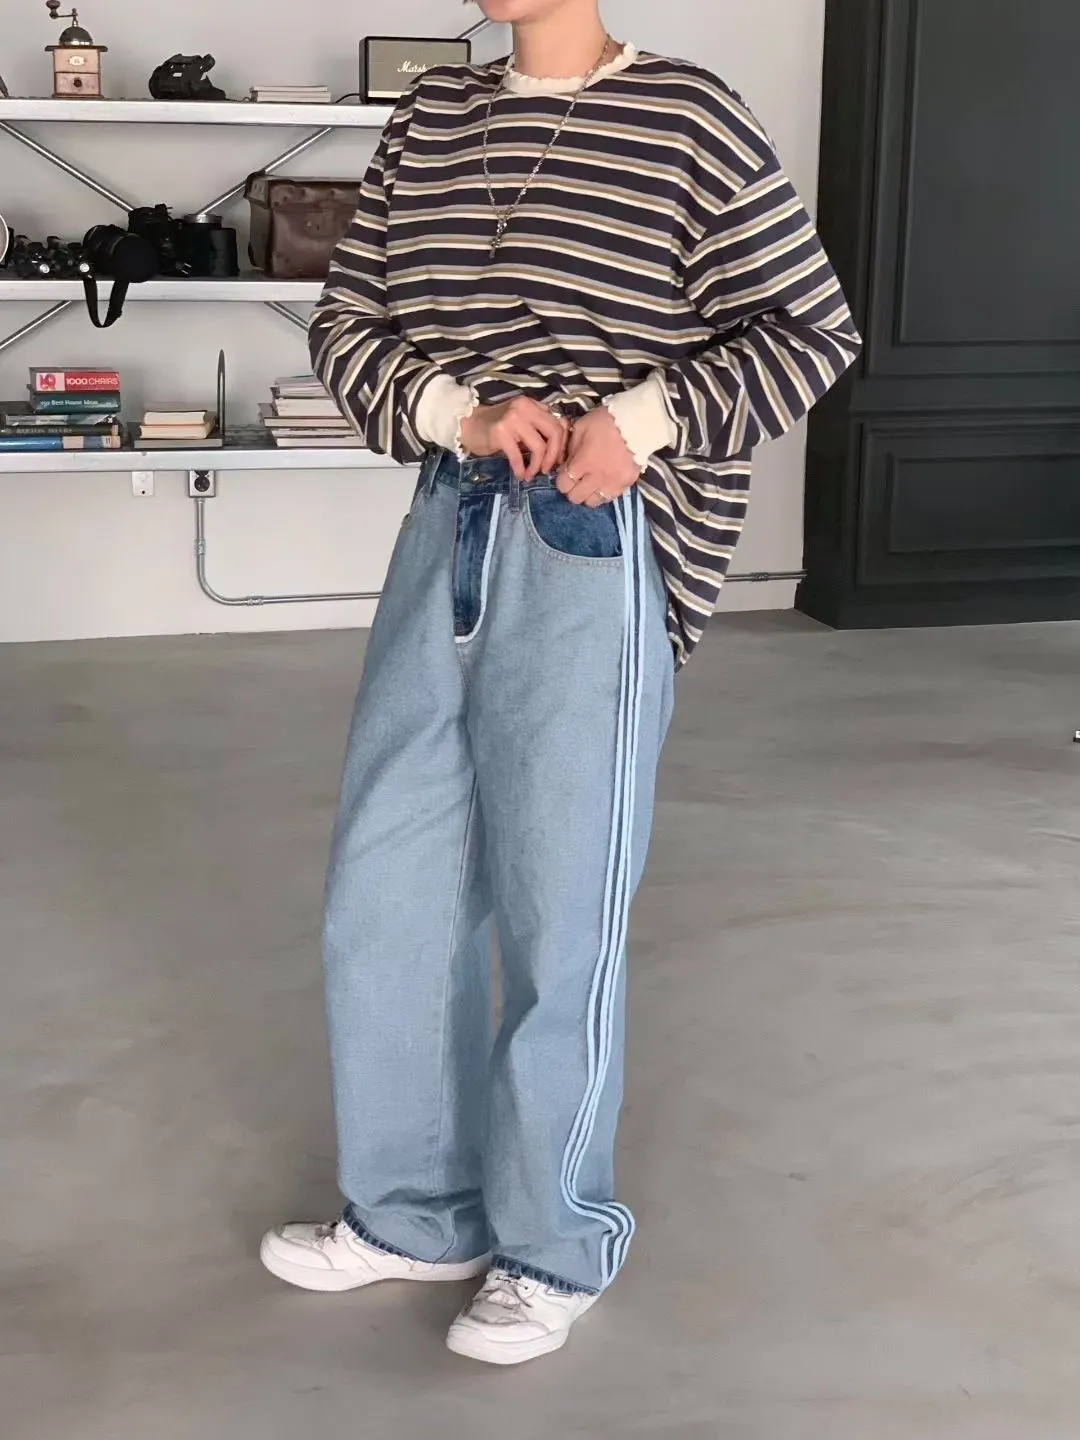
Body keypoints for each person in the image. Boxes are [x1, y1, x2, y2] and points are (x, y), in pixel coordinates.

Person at [260, 0, 860, 1366]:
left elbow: (809, 331)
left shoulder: (687, 116)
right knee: (386, 892)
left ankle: (552, 1245)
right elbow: (348, 320)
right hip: (450, 519)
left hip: (602, 540)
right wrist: (455, 410)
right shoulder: (436, 115)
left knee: (559, 911)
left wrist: (640, 423)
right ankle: (415, 1214)